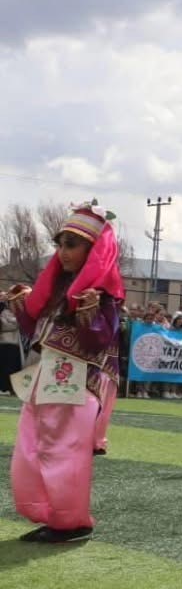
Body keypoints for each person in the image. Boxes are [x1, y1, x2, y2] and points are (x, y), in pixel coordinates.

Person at [5, 204, 124, 543]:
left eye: (72, 244)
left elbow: (99, 340)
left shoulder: (104, 293)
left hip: (76, 384)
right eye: (60, 244)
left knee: (64, 452)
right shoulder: (59, 287)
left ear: (93, 249)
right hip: (47, 378)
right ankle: (53, 516)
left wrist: (89, 312)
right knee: (30, 449)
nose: (63, 252)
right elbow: (36, 331)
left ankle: (71, 522)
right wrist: (21, 307)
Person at [0, 299, 22, 395]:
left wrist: (14, 322)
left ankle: (11, 388)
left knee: (13, 367)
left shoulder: (20, 313)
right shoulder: (4, 312)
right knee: (4, 366)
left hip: (16, 344)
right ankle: (3, 388)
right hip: (4, 342)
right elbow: (4, 326)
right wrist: (16, 322)